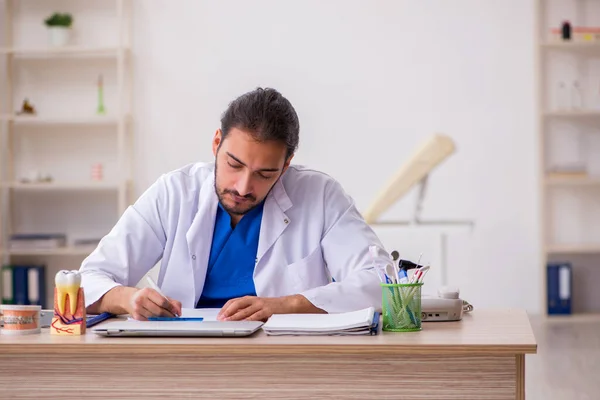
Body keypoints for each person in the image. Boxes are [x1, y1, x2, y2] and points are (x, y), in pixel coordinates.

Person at [80, 87, 390, 321]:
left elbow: (383, 282)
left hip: (286, 358)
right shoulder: (174, 193)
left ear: (285, 166)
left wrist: (285, 304)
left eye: (264, 174)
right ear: (216, 143)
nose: (243, 187)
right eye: (234, 164)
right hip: (185, 357)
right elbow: (86, 281)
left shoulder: (320, 196)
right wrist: (125, 298)